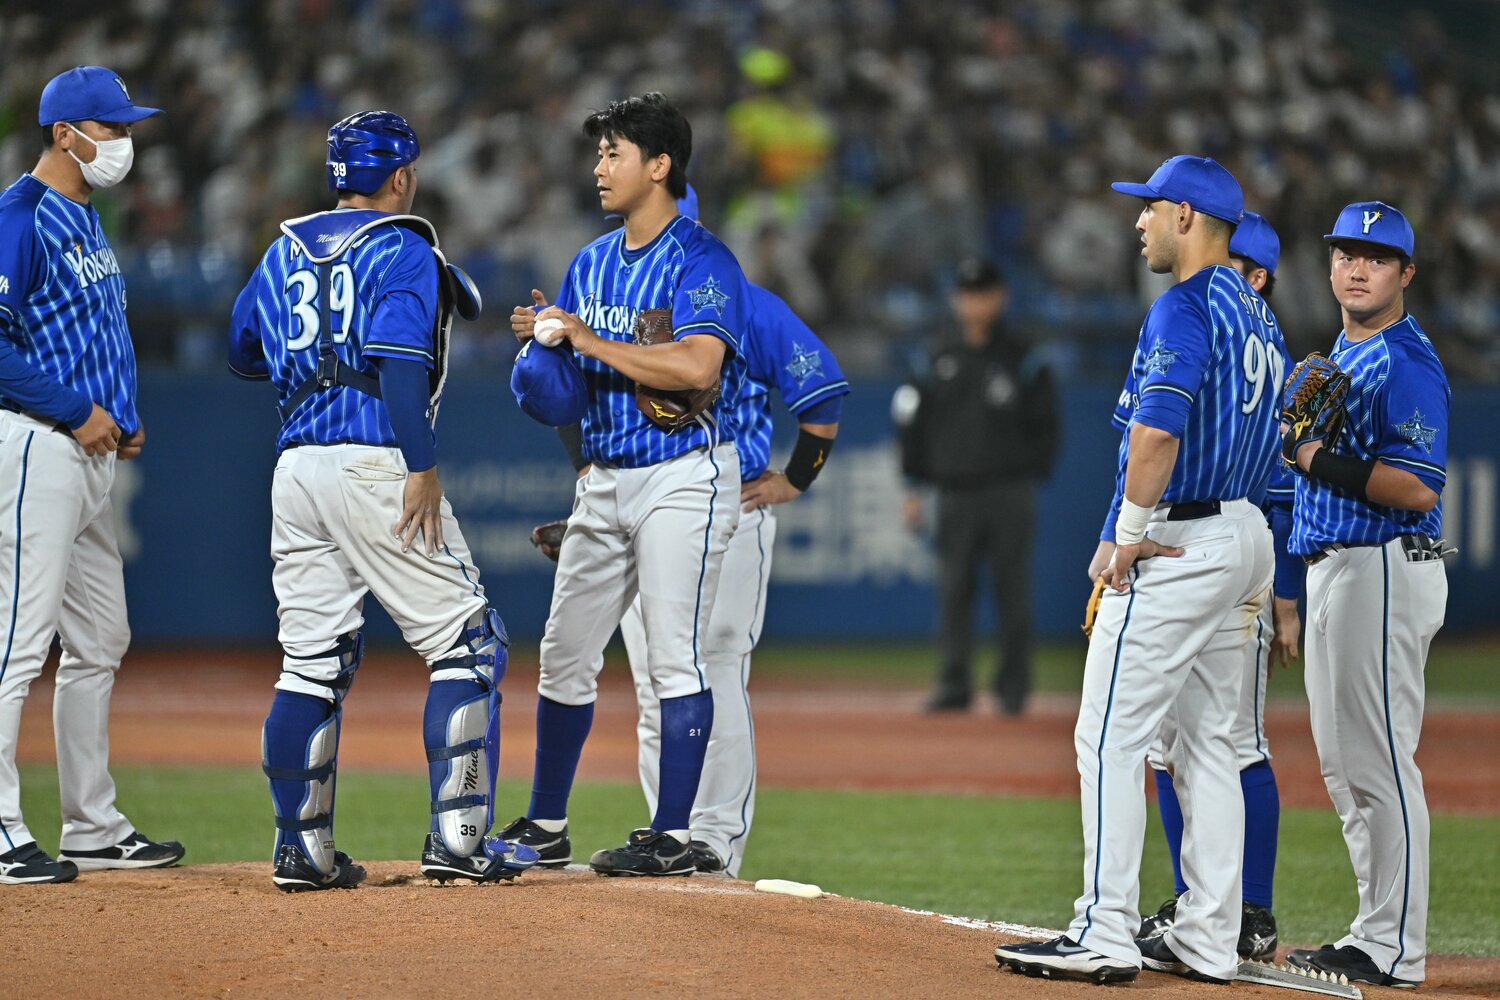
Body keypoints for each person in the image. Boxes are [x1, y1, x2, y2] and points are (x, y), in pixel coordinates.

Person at [995, 155, 1286, 984]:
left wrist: (1125, 532)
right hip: (1243, 537)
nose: (1138, 222)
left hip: (1181, 541)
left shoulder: (1184, 306)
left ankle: (1105, 930)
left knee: (1107, 735)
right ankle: (1207, 934)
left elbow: (1157, 434)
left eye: (1150, 208)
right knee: (1211, 748)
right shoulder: (1259, 316)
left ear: (1188, 217)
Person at [228, 110, 535, 891]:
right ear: (400, 177)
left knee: (310, 663)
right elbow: (400, 362)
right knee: (469, 646)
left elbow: (241, 350)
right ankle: (463, 843)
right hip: (375, 456)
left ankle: (301, 853)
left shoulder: (281, 248)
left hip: (295, 466)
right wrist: (421, 465)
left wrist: (314, 361)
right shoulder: (402, 245)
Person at [501, 94, 751, 877]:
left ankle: (673, 837)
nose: (599, 167)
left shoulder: (703, 259)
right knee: (563, 653)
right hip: (605, 477)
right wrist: (546, 348)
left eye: (614, 153)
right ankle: (546, 825)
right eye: (600, 153)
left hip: (683, 475)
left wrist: (584, 336)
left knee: (674, 658)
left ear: (660, 164)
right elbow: (574, 378)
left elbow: (697, 366)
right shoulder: (591, 259)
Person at [0, 65, 184, 885]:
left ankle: (92, 826)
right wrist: (77, 410)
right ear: (62, 134)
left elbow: (85, 330)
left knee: (101, 637)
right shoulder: (19, 216)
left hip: (88, 452)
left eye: (122, 126)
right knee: (16, 643)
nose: (122, 141)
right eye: (108, 128)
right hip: (36, 444)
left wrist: (116, 411)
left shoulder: (84, 214)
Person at [1283, 202, 1449, 989]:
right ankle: (1374, 930)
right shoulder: (1342, 358)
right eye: (1347, 252)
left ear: (1405, 273)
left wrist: (1315, 457)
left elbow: (1418, 487)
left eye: (1377, 257)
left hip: (1384, 564)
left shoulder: (1405, 360)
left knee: (1379, 761)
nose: (1357, 267)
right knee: (1345, 766)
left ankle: (1399, 949)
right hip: (1335, 570)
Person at [1136, 212, 1297, 961]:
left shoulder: (1236, 335)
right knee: (1176, 744)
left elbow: (1284, 491)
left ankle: (1249, 909)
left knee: (1233, 741)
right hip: (1204, 548)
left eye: (1241, 266)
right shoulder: (1235, 339)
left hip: (1227, 551)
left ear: (1256, 276)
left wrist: (1285, 594)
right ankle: (1199, 903)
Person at [893, 258, 1059, 714]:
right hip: (954, 492)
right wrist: (913, 487)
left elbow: (1048, 425)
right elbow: (911, 424)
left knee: (1013, 592)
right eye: (966, 293)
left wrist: (1030, 474)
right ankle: (953, 683)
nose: (974, 302)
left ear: (1000, 297)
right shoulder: (935, 356)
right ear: (955, 299)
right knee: (953, 592)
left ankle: (1013, 688)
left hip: (1009, 490)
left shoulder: (1024, 356)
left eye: (982, 292)